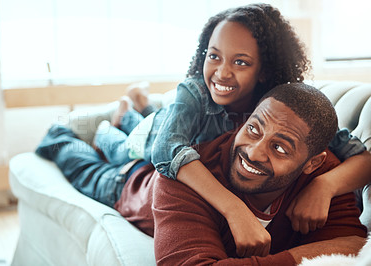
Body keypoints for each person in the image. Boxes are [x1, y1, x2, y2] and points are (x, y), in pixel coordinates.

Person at [91, 3, 371, 256]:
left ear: (264, 70)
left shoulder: (279, 106)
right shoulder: (195, 92)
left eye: (240, 62)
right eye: (214, 56)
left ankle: (138, 104)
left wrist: (325, 185)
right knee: (120, 148)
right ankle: (124, 112)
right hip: (153, 143)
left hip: (165, 130)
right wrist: (233, 207)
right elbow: (165, 152)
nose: (222, 72)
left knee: (141, 125)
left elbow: (362, 158)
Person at [36, 83, 367, 265]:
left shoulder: (324, 177)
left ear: (312, 163)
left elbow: (348, 241)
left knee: (134, 141)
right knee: (84, 153)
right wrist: (301, 255)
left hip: (150, 159)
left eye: (280, 148)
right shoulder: (181, 178)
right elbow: (342, 246)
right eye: (253, 129)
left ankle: (131, 114)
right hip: (130, 185)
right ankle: (87, 127)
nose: (254, 151)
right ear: (244, 120)